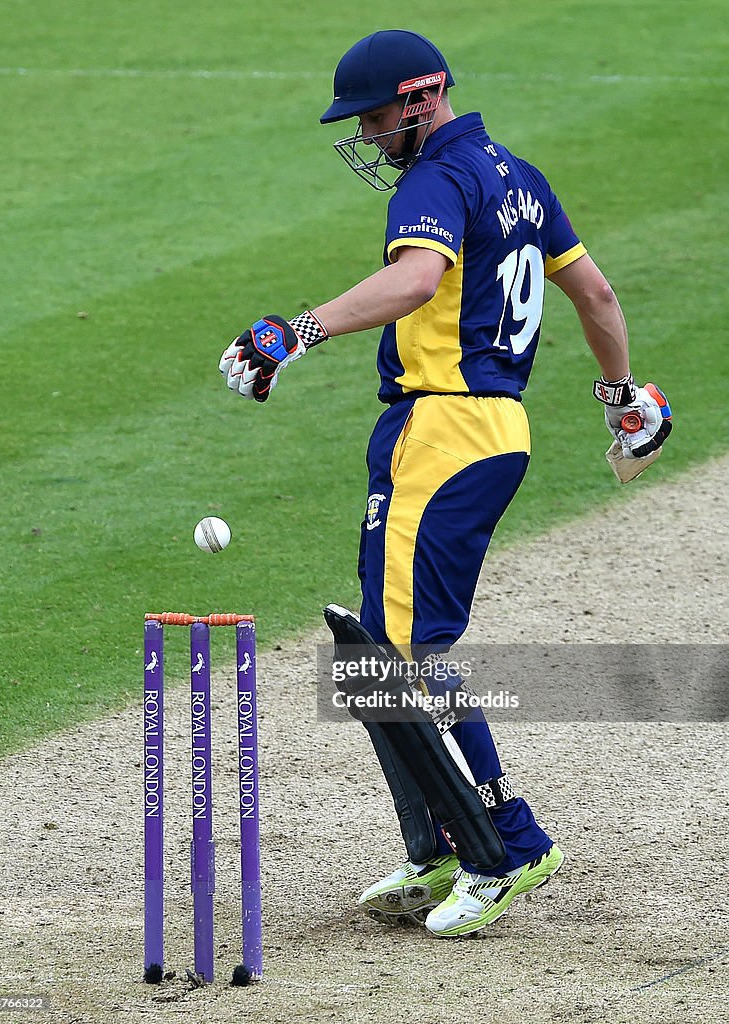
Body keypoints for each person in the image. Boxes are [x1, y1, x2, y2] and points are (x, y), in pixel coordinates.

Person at [219, 30, 672, 938]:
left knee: (401, 652)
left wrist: (292, 333)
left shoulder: (436, 180)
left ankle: (504, 845)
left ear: (423, 99)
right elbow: (600, 299)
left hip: (445, 427)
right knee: (387, 647)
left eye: (379, 116)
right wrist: (623, 398)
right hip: (494, 431)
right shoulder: (520, 176)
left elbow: (415, 281)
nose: (372, 135)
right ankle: (441, 842)